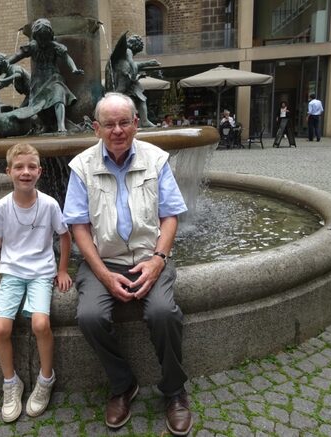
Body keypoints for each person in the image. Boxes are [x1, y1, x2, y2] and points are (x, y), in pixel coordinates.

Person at [63, 93, 192, 436]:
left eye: (124, 122)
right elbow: (79, 227)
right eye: (109, 124)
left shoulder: (157, 159)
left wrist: (158, 261)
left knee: (163, 314)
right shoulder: (81, 167)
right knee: (89, 317)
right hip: (103, 261)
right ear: (96, 128)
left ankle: (175, 391)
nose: (117, 130)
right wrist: (103, 274)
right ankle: (123, 385)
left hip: (151, 257)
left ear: (136, 123)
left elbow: (169, 217)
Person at [0, 143, 73, 423]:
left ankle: (46, 379)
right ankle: (11, 383)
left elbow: (65, 236)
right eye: (19, 167)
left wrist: (62, 270)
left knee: (41, 324)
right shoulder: (1, 207)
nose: (25, 172)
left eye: (30, 167)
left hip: (41, 273)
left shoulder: (49, 204)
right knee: (1, 327)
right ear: (8, 172)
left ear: (40, 171)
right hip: (12, 273)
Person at [8, 18, 84, 132]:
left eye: (45, 38)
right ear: (35, 36)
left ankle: (61, 126)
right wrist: (6, 63)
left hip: (53, 77)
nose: (43, 41)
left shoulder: (54, 46)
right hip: (38, 79)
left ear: (50, 36)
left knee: (59, 96)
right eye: (40, 38)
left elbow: (66, 57)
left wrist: (74, 69)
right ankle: (46, 125)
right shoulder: (32, 46)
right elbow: (18, 56)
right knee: (38, 104)